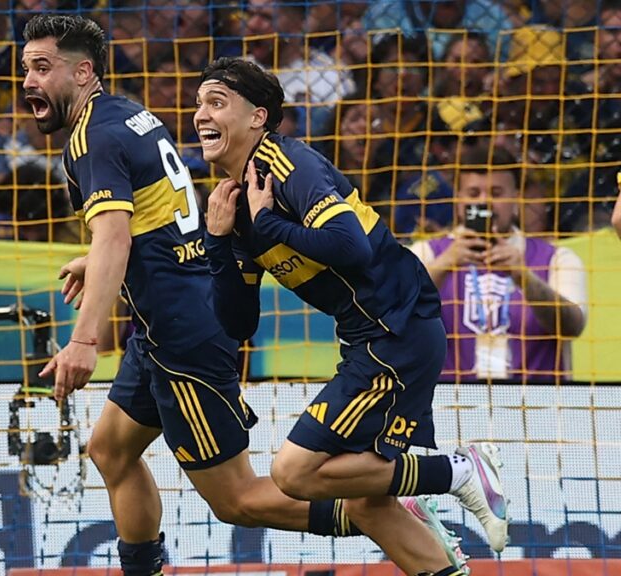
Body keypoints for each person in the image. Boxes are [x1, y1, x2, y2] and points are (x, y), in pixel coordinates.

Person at [21, 16, 466, 576]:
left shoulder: (95, 137)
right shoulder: (128, 116)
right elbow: (158, 219)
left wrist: (84, 339)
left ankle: (383, 512)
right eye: (25, 69)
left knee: (238, 500)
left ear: (83, 72)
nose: (29, 82)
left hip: (183, 335)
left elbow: (113, 232)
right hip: (168, 321)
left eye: (42, 68)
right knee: (110, 450)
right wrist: (107, 260)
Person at [195, 57, 511, 576]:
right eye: (199, 104)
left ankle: (456, 469)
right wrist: (218, 239)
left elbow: (353, 248)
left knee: (293, 472)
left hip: (396, 328)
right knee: (369, 502)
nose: (200, 115)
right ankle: (434, 527)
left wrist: (269, 224)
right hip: (375, 336)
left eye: (216, 102)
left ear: (257, 117)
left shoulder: (291, 167)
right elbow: (238, 324)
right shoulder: (234, 198)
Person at [409, 147, 587, 382]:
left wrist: (524, 277)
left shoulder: (557, 258)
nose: (485, 202)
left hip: (538, 407)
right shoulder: (427, 253)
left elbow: (573, 327)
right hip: (448, 404)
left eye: (496, 192)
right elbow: (392, 315)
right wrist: (444, 265)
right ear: (458, 199)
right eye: (473, 193)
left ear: (515, 197)